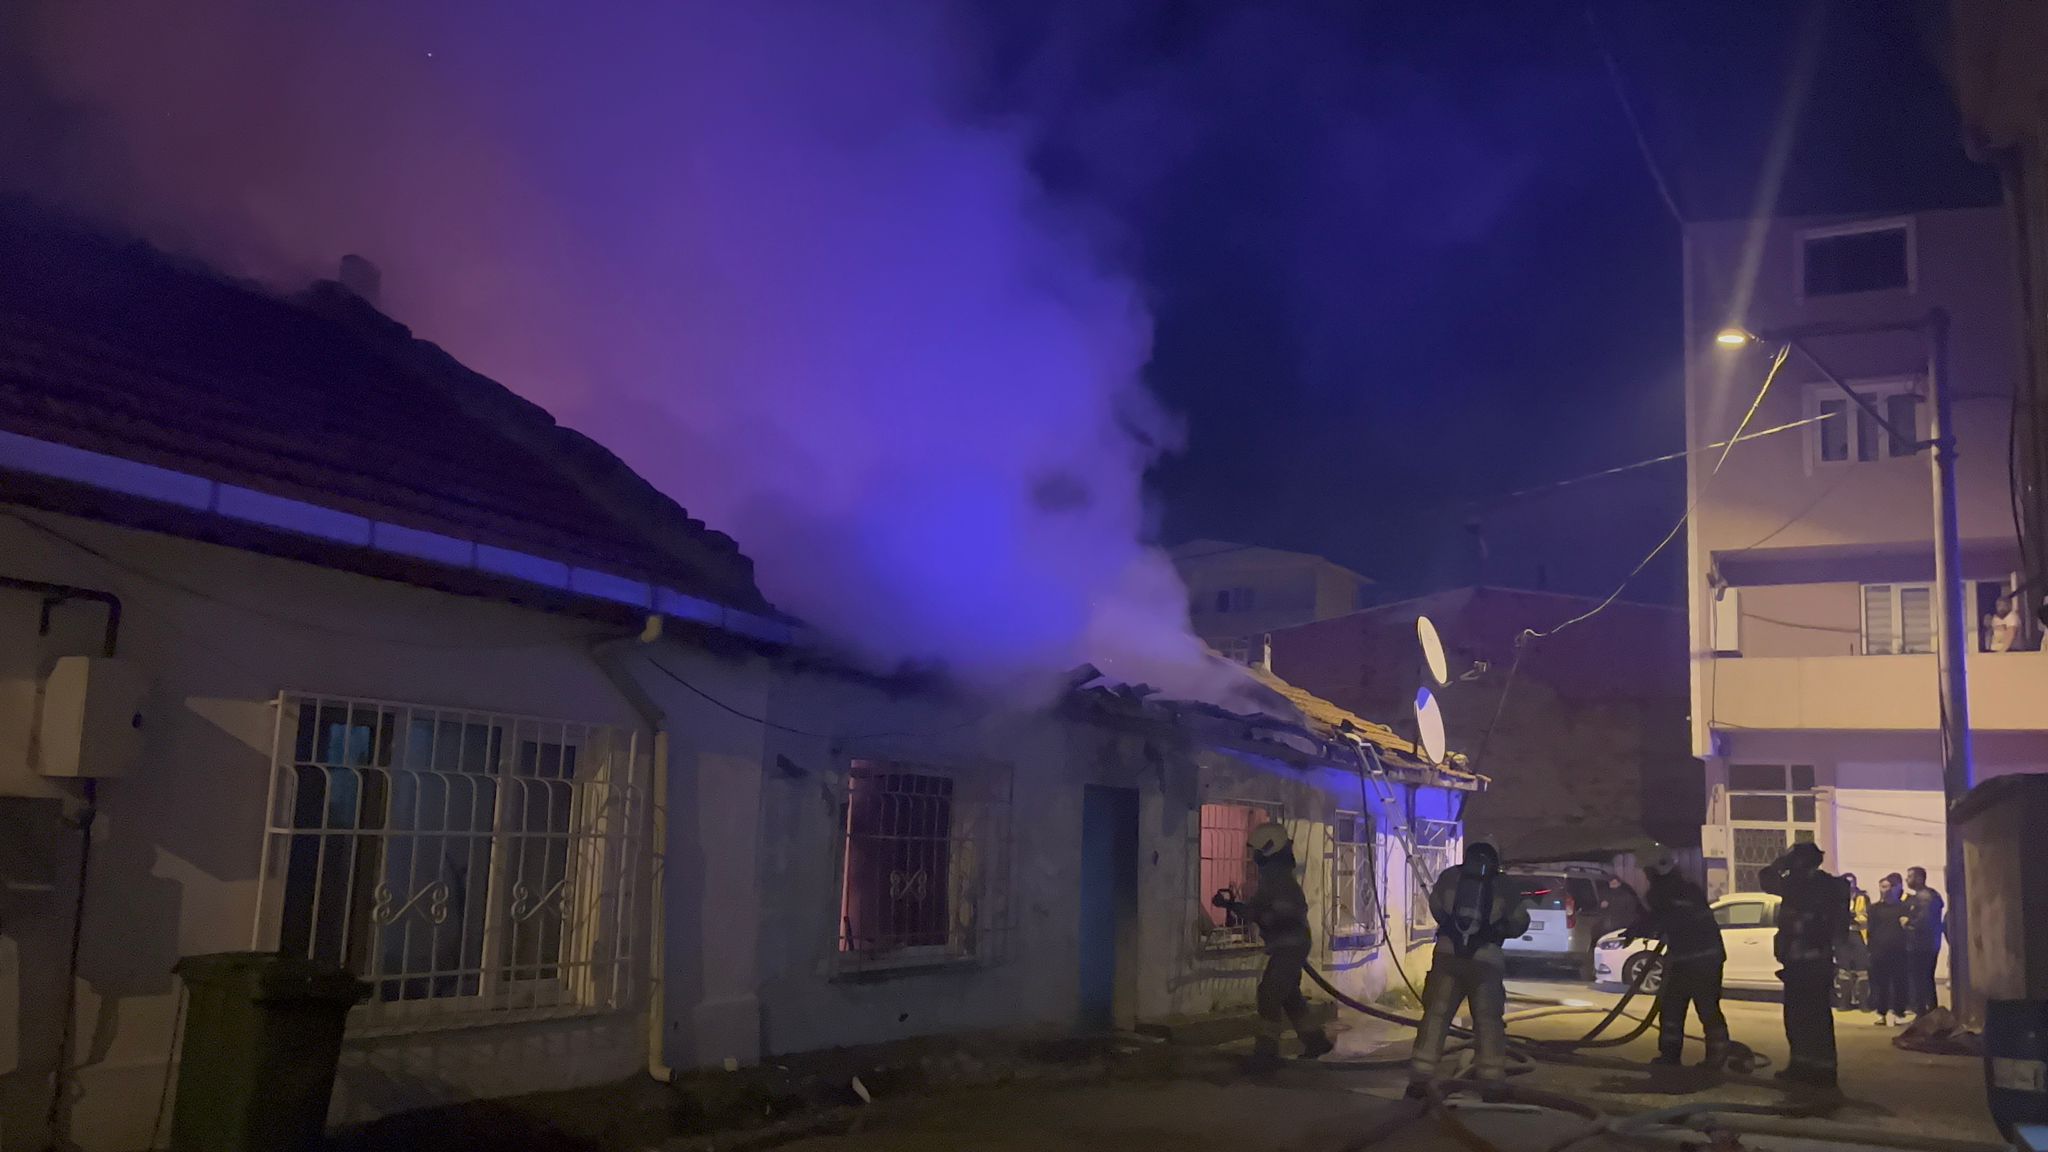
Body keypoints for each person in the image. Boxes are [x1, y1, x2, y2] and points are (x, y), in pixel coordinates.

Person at [1407, 842, 1531, 1101]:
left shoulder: (1450, 877)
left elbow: (1436, 907)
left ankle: (1420, 1078)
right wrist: (1497, 930)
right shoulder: (1505, 885)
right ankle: (1491, 1082)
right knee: (1488, 1021)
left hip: (1447, 957)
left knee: (1436, 1015)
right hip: (1486, 961)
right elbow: (1520, 922)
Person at [1212, 822, 1333, 1069]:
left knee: (1268, 994)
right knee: (1288, 995)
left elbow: (1269, 912)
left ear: (1269, 849)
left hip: (1289, 946)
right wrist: (1233, 906)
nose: (1254, 856)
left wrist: (1243, 910)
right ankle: (1315, 1041)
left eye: (1257, 851)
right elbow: (1260, 910)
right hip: (1289, 945)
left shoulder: (1278, 879)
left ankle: (1267, 1053)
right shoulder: (1275, 876)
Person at [1622, 852, 1730, 1070]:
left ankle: (1673, 1056)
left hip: (1692, 959)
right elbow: (1662, 918)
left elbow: (1660, 919)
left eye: (1648, 872)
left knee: (1680, 1008)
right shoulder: (1688, 888)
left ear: (1655, 871)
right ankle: (1712, 1056)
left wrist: (1636, 930)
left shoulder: (1662, 892)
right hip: (1702, 958)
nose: (1646, 876)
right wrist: (1638, 928)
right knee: (1696, 1008)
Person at [1759, 842, 1850, 1090]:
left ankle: (1818, 1074)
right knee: (1805, 1019)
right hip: (1808, 963)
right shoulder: (1824, 885)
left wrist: (1780, 862)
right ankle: (1804, 1068)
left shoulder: (1800, 885)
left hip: (1806, 963)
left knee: (1807, 1019)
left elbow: (1767, 879)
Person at [1865, 873, 1911, 1025]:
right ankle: (1882, 1013)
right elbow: (1871, 930)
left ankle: (1899, 1012)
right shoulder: (1874, 908)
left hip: (1899, 950)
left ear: (1894, 888)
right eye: (1882, 887)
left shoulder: (1903, 908)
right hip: (1879, 951)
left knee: (1899, 982)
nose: (1884, 890)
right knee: (1881, 983)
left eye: (1887, 887)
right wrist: (1870, 950)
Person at [1904, 866, 1946, 1015]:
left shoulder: (1924, 897)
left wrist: (1907, 923)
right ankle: (1928, 1012)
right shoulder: (1928, 895)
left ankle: (1924, 1013)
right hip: (1928, 944)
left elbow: (1924, 921)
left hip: (1922, 945)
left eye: (1910, 876)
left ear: (1919, 878)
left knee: (1921, 979)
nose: (1907, 880)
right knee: (1925, 979)